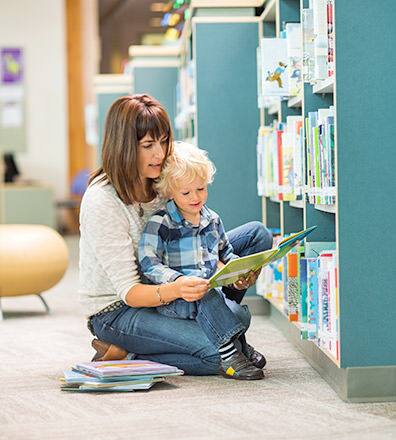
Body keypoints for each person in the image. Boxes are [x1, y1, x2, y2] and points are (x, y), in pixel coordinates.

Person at [79, 94, 272, 378]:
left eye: (164, 141)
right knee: (213, 355)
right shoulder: (102, 202)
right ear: (123, 148)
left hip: (173, 280)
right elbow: (130, 292)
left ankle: (219, 316)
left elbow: (199, 229)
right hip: (120, 309)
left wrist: (232, 271)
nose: (159, 154)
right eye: (148, 145)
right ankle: (126, 351)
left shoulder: (162, 178)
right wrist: (179, 288)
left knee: (257, 238)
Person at [138, 141, 265, 380]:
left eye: (201, 189)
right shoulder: (162, 222)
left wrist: (237, 270)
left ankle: (239, 349)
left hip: (207, 295)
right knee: (204, 291)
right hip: (175, 300)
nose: (195, 197)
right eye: (186, 193)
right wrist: (178, 281)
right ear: (171, 192)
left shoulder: (212, 219)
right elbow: (149, 263)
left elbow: (225, 251)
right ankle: (232, 356)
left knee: (237, 312)